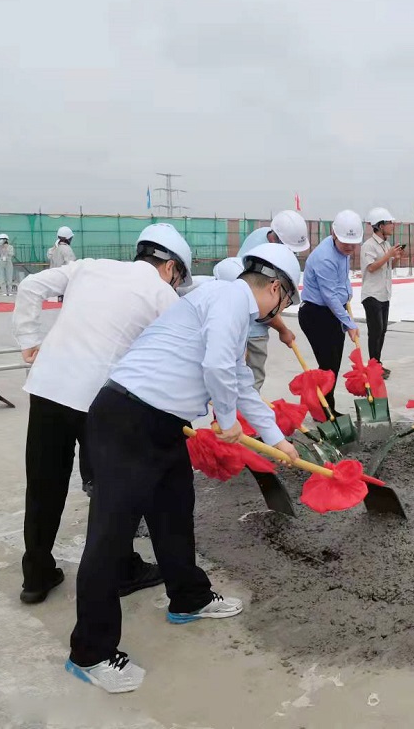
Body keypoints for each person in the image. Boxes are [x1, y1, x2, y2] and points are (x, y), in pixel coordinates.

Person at [66, 243, 302, 694]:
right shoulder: (230, 298)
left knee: (174, 512)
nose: (281, 310)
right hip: (128, 418)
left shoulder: (227, 307)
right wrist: (227, 421)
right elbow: (217, 367)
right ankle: (90, 652)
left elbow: (237, 380)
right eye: (286, 300)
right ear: (275, 288)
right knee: (110, 537)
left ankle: (189, 598)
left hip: (161, 423)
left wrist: (277, 440)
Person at [12, 224, 192, 606]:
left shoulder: (89, 266)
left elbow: (29, 287)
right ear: (171, 267)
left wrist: (29, 339)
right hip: (98, 400)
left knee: (43, 483)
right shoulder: (162, 293)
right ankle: (122, 569)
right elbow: (177, 355)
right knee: (111, 487)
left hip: (47, 386)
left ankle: (36, 575)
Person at [225, 210, 310, 391]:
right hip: (254, 330)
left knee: (237, 382)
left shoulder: (259, 236)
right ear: (273, 239)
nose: (291, 254)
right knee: (251, 382)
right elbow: (262, 304)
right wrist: (283, 329)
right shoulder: (267, 258)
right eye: (289, 249)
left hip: (244, 323)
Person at [298, 209, 363, 413]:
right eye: (346, 243)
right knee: (328, 367)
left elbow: (342, 279)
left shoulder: (343, 250)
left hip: (333, 312)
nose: (350, 247)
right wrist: (349, 322)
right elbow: (330, 297)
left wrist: (348, 293)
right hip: (316, 314)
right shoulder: (324, 258)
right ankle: (324, 412)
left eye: (354, 244)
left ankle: (327, 408)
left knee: (333, 366)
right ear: (334, 234)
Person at [361, 208, 404, 376]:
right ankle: (373, 366)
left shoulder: (386, 245)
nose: (392, 226)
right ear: (380, 226)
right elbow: (371, 267)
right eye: (389, 223)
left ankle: (377, 363)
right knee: (375, 331)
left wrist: (395, 258)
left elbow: (387, 267)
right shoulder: (368, 245)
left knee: (382, 330)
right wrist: (388, 256)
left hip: (384, 293)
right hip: (372, 294)